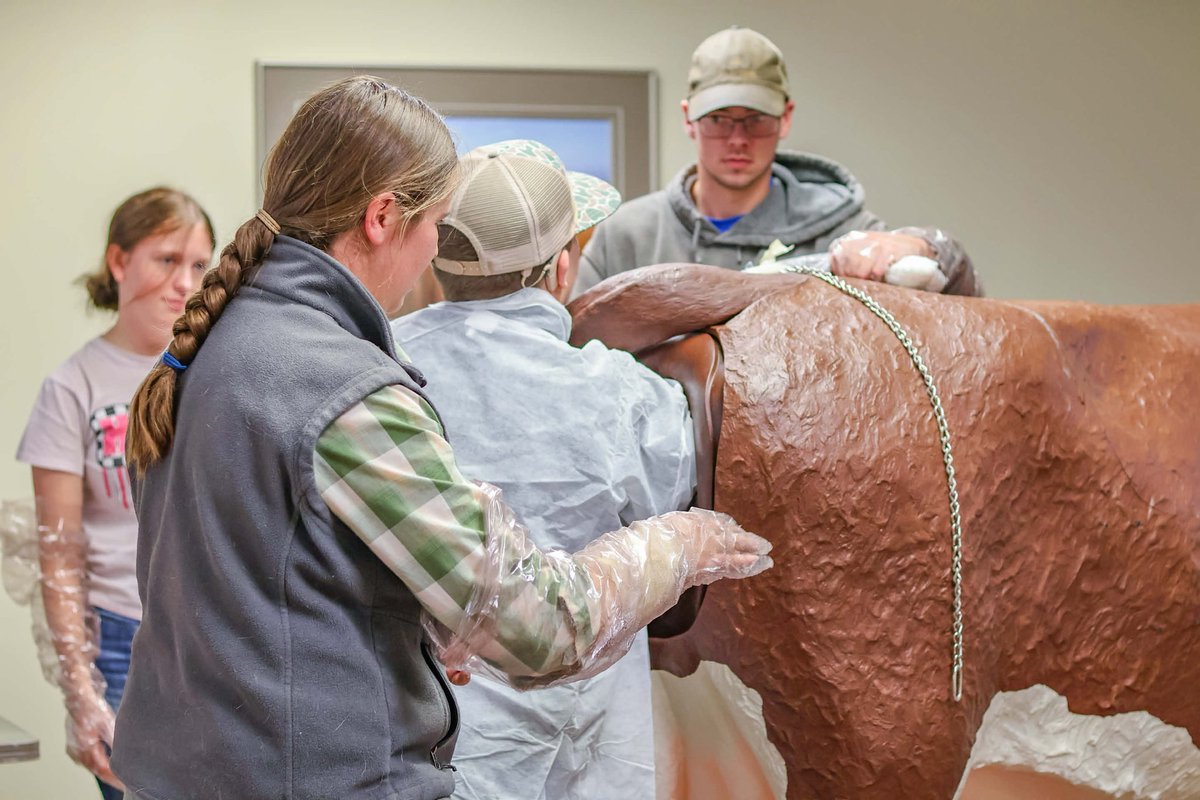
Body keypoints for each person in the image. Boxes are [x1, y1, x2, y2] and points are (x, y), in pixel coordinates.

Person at [111, 76, 771, 800]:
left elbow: (265, 579)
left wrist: (408, 623)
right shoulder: (344, 392)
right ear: (382, 216)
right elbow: (540, 628)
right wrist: (676, 545)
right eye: (433, 224)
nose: (433, 250)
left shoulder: (215, 346)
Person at [392, 139, 695, 800]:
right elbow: (674, 510)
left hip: (435, 736)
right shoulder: (624, 393)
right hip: (592, 745)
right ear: (561, 268)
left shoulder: (383, 366)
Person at [16, 187, 215, 799]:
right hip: (120, 642)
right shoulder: (72, 387)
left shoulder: (215, 374)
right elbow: (58, 552)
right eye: (166, 260)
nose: (185, 283)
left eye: (199, 265)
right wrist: (80, 691)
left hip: (212, 632)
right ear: (119, 261)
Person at [576, 26, 982, 297]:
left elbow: (964, 296)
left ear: (785, 118)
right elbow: (574, 347)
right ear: (689, 119)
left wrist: (920, 246)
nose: (738, 139)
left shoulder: (837, 230)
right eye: (719, 119)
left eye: (756, 119)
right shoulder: (627, 236)